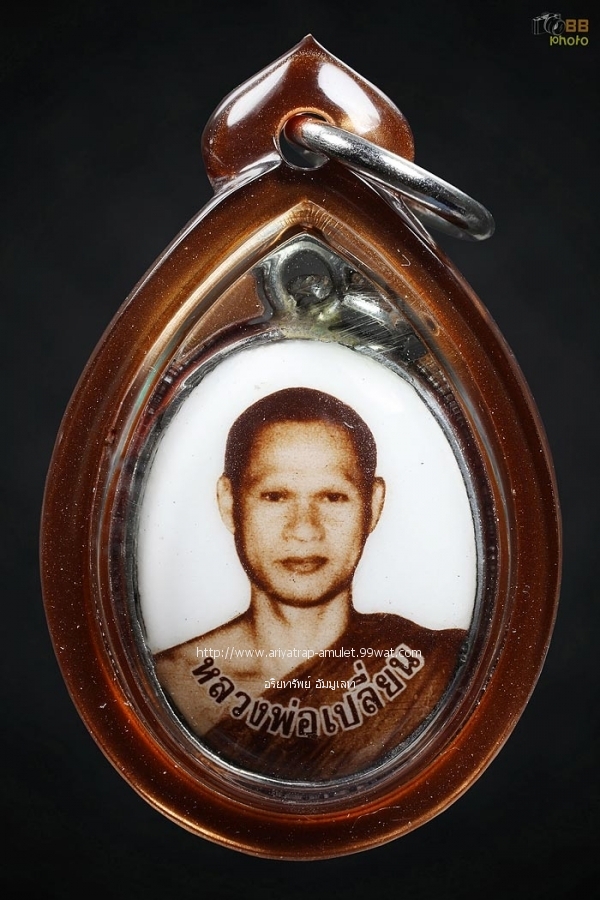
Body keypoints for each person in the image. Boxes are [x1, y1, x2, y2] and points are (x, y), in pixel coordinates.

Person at [154, 387, 468, 781]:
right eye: (275, 496)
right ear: (229, 502)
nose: (304, 529)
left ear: (373, 505)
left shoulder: (443, 668)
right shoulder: (166, 684)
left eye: (333, 497)